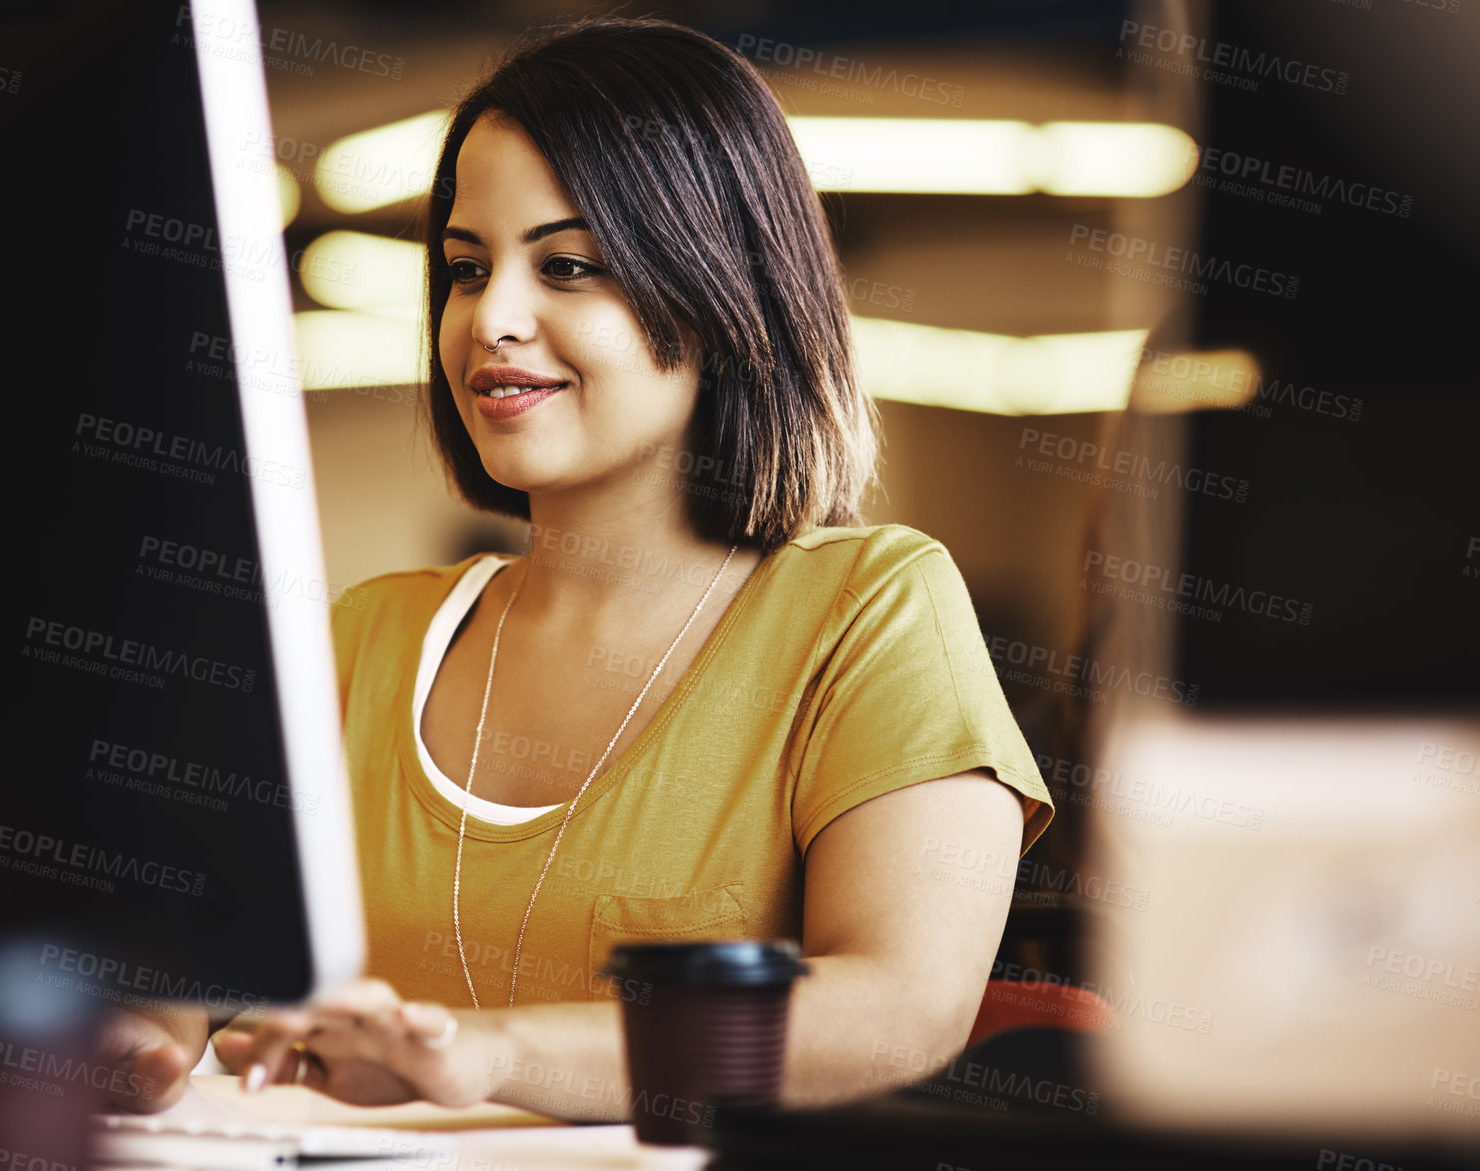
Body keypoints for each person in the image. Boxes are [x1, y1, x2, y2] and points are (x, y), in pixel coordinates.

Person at [103, 15, 1053, 1120]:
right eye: (465, 270)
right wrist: (131, 1034)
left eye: (566, 266)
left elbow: (896, 1007)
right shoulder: (363, 636)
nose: (490, 318)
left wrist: (491, 1054)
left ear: (716, 290)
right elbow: (179, 974)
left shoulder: (865, 604)